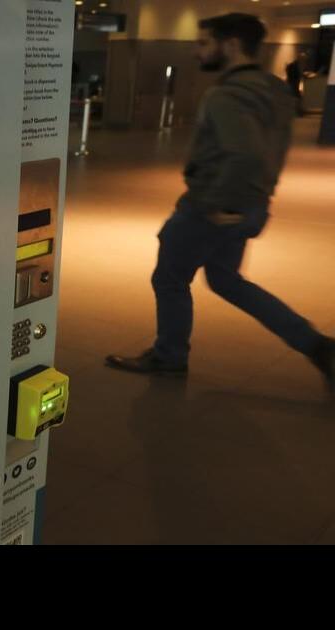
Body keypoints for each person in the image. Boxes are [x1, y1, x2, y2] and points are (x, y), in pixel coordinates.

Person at [106, 13, 335, 394]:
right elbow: (272, 152)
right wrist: (254, 201)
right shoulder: (275, 91)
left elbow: (243, 153)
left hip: (213, 206)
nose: (198, 52)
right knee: (227, 281)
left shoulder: (226, 94)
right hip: (250, 204)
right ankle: (318, 346)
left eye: (203, 43)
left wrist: (212, 204)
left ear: (229, 45)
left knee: (169, 278)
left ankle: (169, 356)